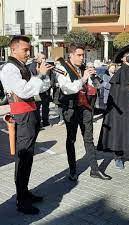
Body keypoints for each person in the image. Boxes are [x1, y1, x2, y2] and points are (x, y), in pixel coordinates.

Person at [0, 36, 53, 214]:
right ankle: (21, 200)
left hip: (30, 112)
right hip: (22, 115)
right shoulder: (9, 68)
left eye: (29, 49)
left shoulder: (21, 67)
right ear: (13, 49)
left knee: (28, 157)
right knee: (22, 158)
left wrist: (43, 76)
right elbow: (23, 90)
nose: (28, 53)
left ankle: (24, 192)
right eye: (25, 50)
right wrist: (41, 76)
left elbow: (40, 89)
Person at [55, 43, 112, 181]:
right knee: (71, 139)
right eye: (79, 55)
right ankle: (73, 170)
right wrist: (84, 78)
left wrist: (94, 77)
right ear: (71, 55)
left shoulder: (83, 68)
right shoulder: (61, 69)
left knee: (89, 139)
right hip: (71, 108)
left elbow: (96, 86)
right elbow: (67, 89)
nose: (82, 58)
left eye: (83, 55)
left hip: (85, 107)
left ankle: (94, 169)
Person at [29, 52, 51, 127]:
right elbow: (35, 77)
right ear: (37, 58)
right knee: (37, 108)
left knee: (46, 107)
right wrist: (40, 71)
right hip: (37, 91)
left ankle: (45, 121)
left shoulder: (46, 65)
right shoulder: (33, 65)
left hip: (45, 90)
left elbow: (49, 76)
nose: (44, 60)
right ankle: (38, 123)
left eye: (45, 58)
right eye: (42, 58)